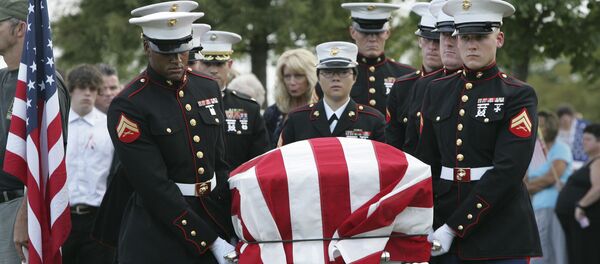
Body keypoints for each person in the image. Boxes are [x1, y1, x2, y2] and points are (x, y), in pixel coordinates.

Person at [105, 9, 235, 264]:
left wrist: (229, 225)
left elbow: (220, 164)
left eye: (183, 50)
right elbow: (153, 187)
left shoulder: (206, 87)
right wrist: (208, 239)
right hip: (159, 231)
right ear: (146, 47)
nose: (177, 60)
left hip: (212, 215)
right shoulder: (129, 104)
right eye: (166, 52)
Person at [417, 0, 542, 262]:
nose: (471, 44)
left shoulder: (517, 94)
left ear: (499, 38)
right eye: (464, 36)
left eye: (481, 36)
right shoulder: (436, 90)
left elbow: (509, 169)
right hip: (441, 224)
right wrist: (424, 218)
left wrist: (455, 227)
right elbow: (426, 162)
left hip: (499, 230)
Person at [0, 0, 70, 262]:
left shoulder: (42, 84)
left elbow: (47, 157)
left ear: (19, 29)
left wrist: (27, 216)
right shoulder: (3, 78)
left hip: (21, 206)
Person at [280, 41, 385, 146]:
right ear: (318, 78)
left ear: (354, 77)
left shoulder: (372, 121)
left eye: (343, 72)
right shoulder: (297, 120)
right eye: (328, 72)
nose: (335, 78)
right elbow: (281, 159)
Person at [63, 64, 115, 264]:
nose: (87, 93)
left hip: (98, 217)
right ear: (71, 90)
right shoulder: (57, 124)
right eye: (82, 87)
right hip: (63, 217)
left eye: (93, 88)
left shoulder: (109, 126)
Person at [197, 30, 269, 169]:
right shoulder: (186, 103)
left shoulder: (248, 107)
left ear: (229, 65)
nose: (213, 70)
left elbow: (261, 159)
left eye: (219, 64)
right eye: (207, 63)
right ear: (198, 64)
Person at [333, 2, 415, 115]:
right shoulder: (335, 75)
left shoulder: (406, 75)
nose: (372, 38)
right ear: (353, 32)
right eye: (365, 32)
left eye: (378, 32)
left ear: (387, 33)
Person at [385, 1, 442, 152]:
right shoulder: (402, 86)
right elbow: (393, 141)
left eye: (438, 40)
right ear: (419, 41)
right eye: (427, 39)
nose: (432, 47)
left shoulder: (459, 84)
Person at [525, 111, 571, 264]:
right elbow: (525, 180)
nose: (538, 128)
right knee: (541, 250)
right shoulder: (535, 150)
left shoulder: (561, 148)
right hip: (536, 207)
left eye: (542, 125)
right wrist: (535, 185)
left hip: (554, 206)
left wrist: (532, 186)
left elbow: (552, 177)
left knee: (556, 249)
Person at [556, 123, 600, 264]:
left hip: (588, 220)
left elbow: (598, 187)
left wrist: (581, 205)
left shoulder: (598, 162)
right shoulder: (589, 162)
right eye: (583, 138)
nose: (583, 142)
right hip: (574, 223)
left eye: (588, 139)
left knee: (587, 255)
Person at [263, 48, 318, 147]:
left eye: (298, 76)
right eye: (287, 76)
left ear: (310, 77)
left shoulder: (321, 110)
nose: (292, 82)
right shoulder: (272, 113)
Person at [556, 104, 589, 169]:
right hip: (560, 162)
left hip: (579, 162)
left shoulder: (582, 127)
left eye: (568, 117)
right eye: (562, 118)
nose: (565, 120)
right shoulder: (555, 130)